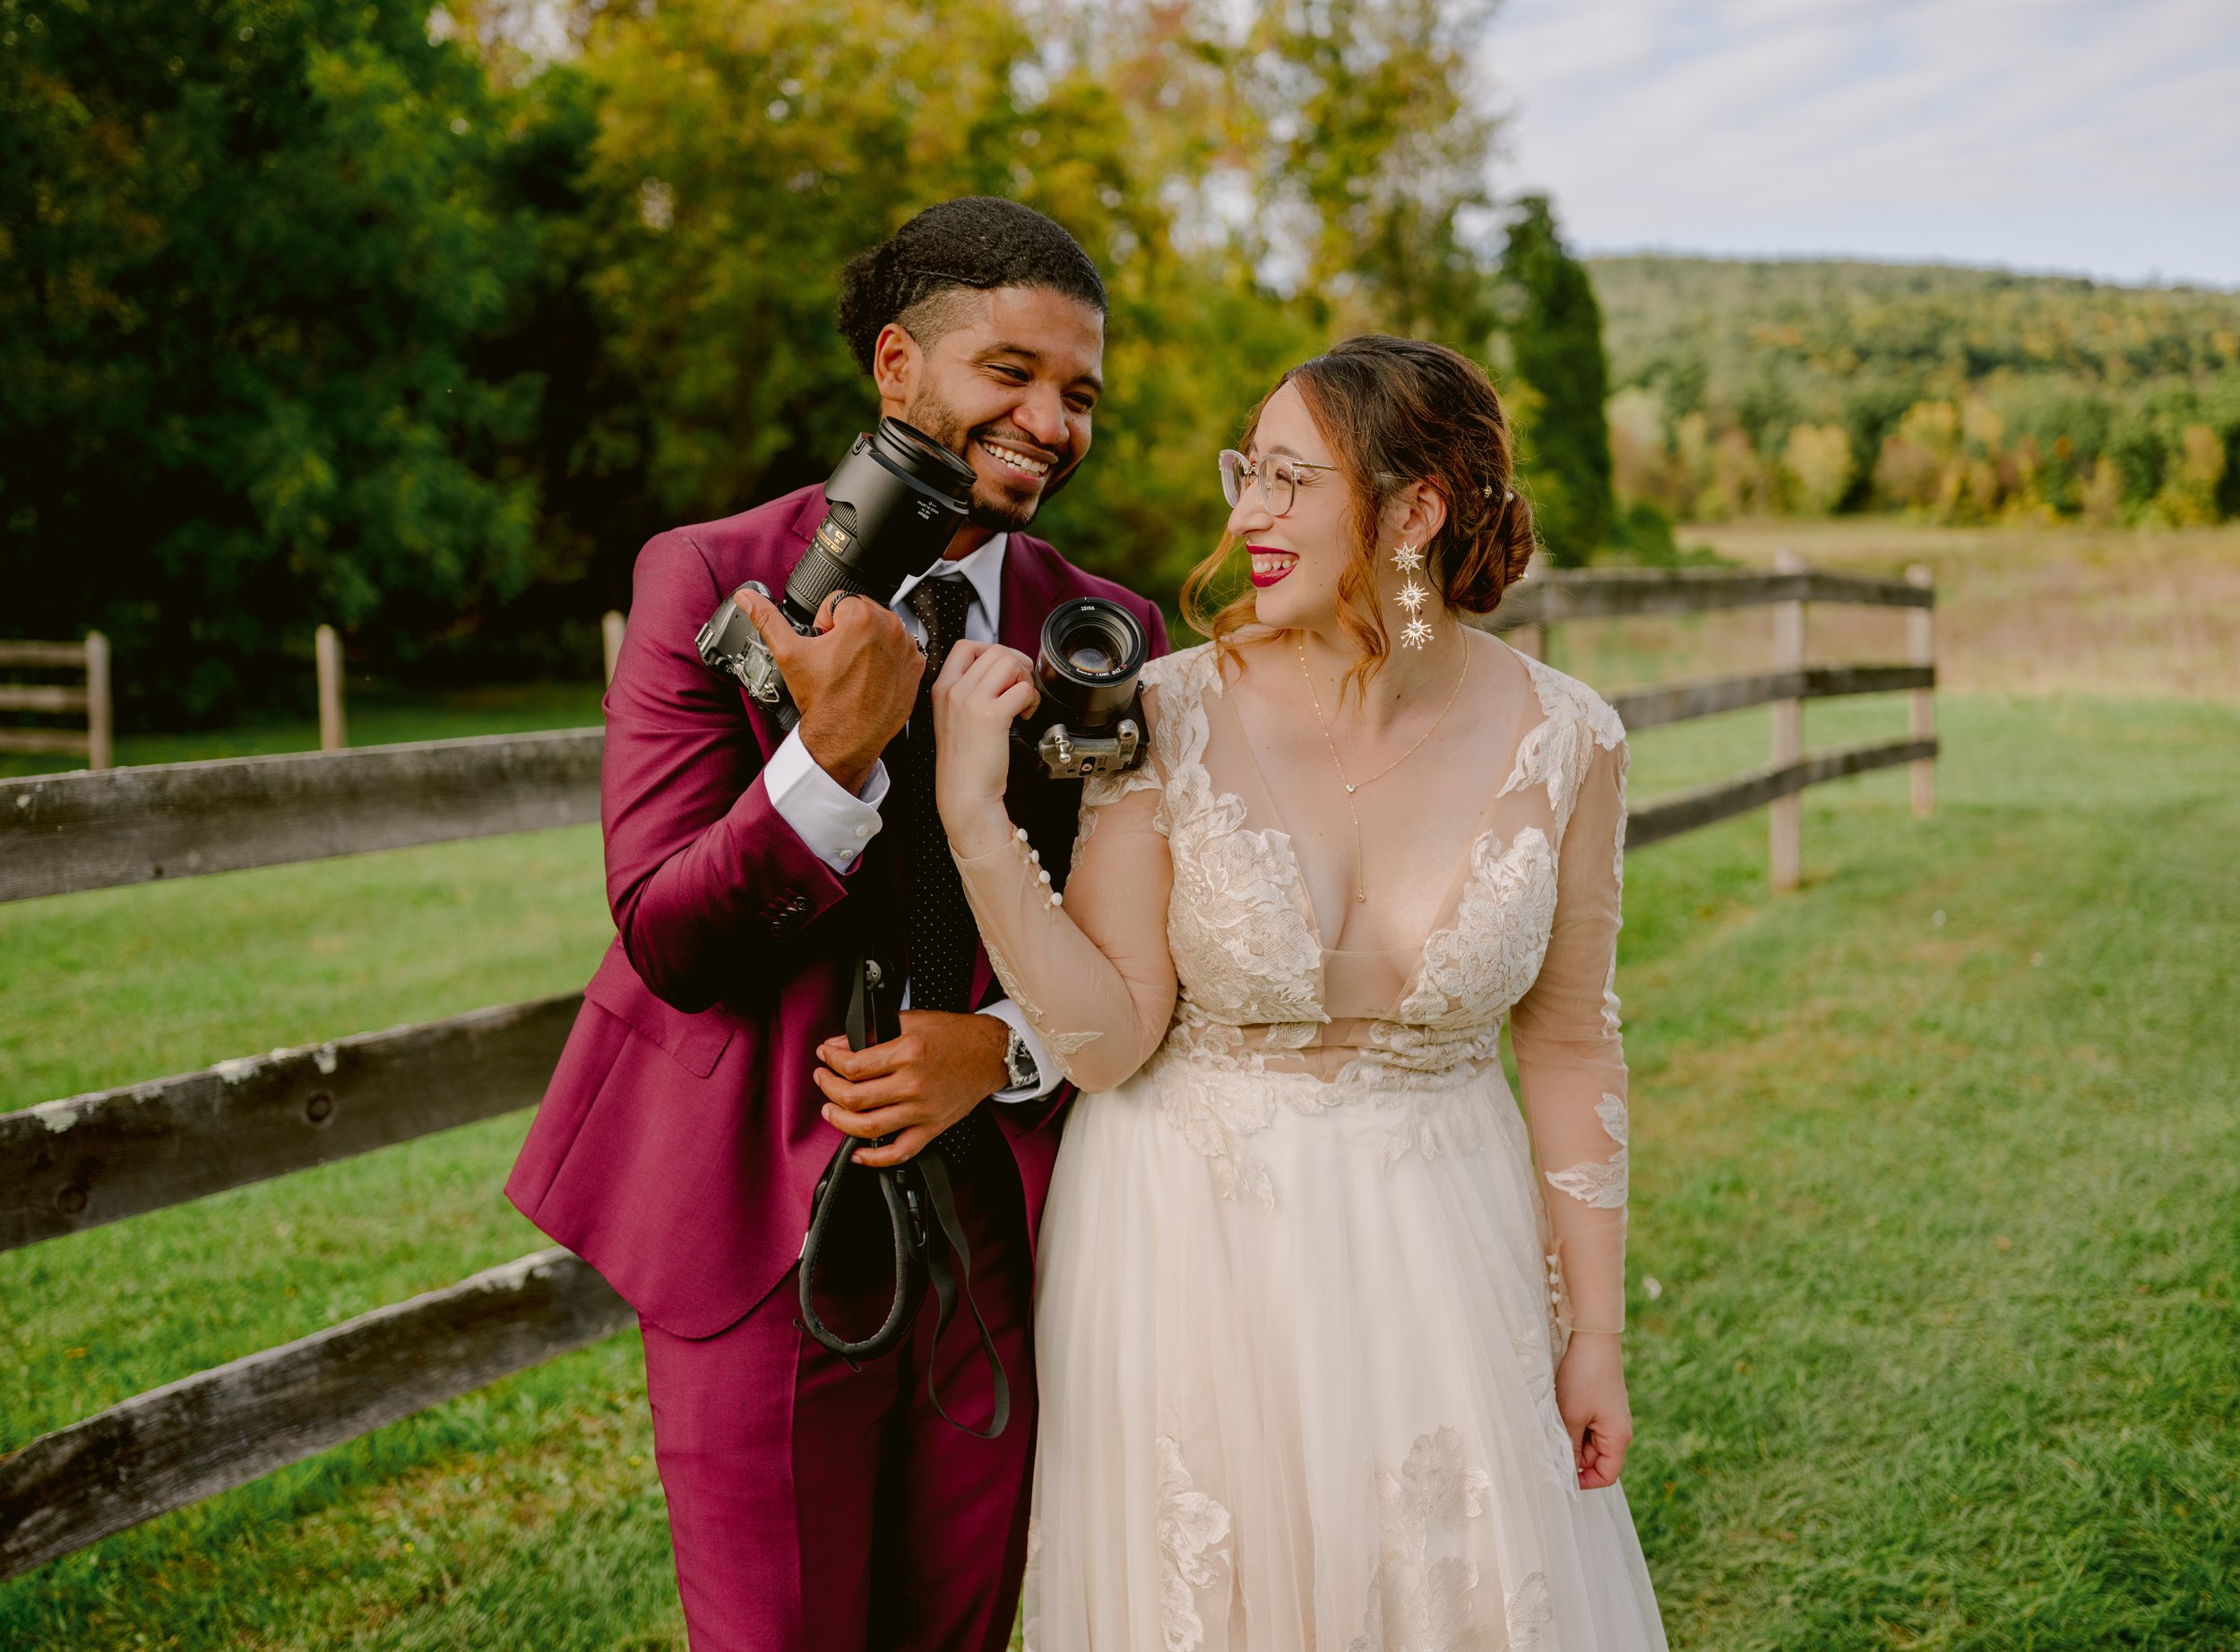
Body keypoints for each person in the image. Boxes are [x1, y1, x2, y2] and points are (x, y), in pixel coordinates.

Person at [931, 333, 1668, 1648]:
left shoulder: (1571, 738)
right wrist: (977, 818)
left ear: (1412, 513)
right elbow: (1105, 1043)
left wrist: (1595, 1331)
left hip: (1445, 1253)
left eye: (1286, 480)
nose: (1244, 514)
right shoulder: (1167, 711)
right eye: (1245, 473)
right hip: (1186, 1252)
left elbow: (1567, 1047)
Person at [504, 196, 1168, 1651]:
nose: (1051, 422)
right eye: (1011, 373)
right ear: (895, 369)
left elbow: (1150, 956)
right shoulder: (707, 577)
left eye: (1081, 394)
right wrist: (834, 760)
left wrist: (995, 1051)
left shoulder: (1105, 633)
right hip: (751, 1213)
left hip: (1004, 1222)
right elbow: (667, 931)